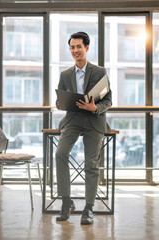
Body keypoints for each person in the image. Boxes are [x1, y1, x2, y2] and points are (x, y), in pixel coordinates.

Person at [55, 32, 112, 225]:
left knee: (91, 164)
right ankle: (66, 202)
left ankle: (88, 208)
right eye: (72, 47)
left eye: (78, 46)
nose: (75, 50)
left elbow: (108, 100)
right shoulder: (65, 75)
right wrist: (63, 102)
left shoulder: (99, 72)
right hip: (72, 119)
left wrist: (95, 108)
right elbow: (58, 101)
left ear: (86, 48)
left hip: (93, 119)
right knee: (60, 154)